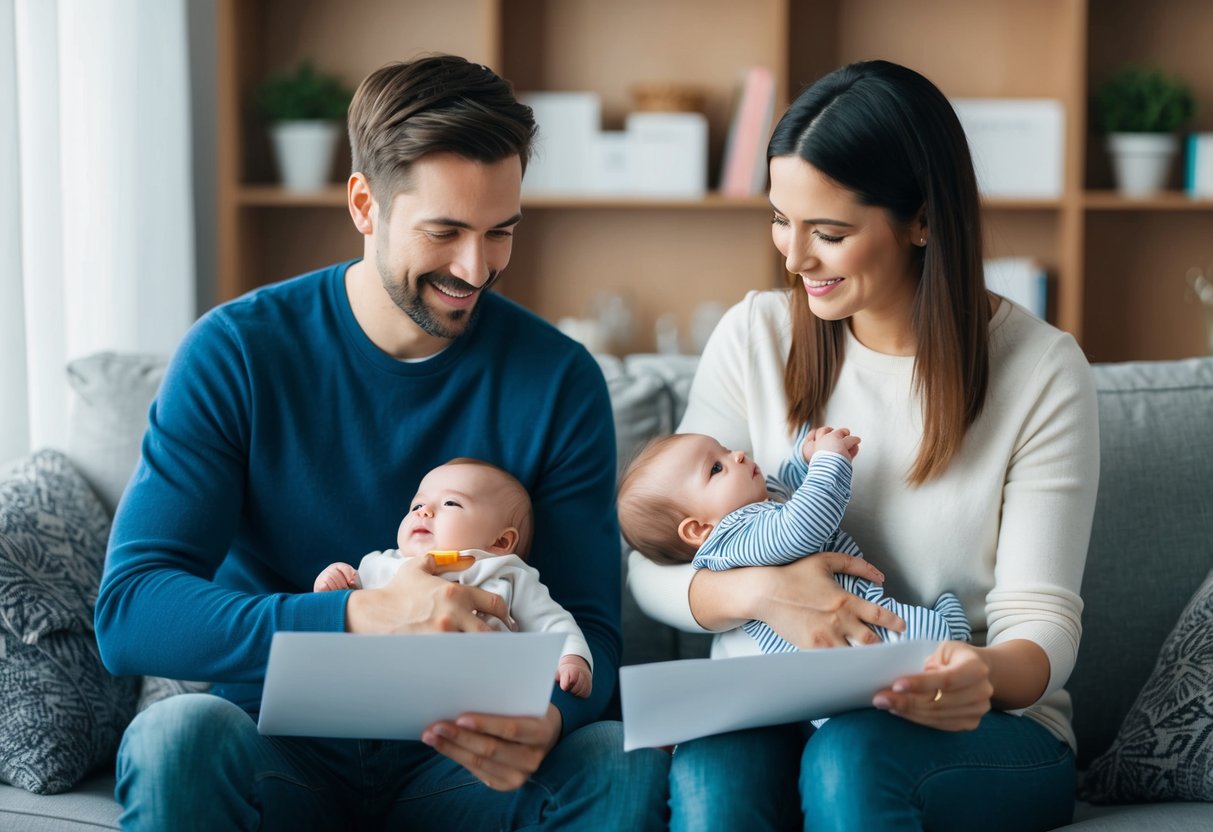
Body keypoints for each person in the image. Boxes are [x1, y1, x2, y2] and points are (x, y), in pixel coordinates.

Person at [95, 54, 668, 830]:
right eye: (445, 232)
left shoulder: (557, 378)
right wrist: (359, 617)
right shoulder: (238, 352)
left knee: (615, 757)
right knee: (175, 736)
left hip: (465, 766)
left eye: (500, 232)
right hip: (278, 749)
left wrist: (553, 722)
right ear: (365, 204)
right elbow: (132, 612)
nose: (477, 267)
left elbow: (592, 629)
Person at [627, 59, 1099, 832]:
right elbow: (654, 564)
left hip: (980, 723)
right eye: (780, 219)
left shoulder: (1041, 371)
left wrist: (973, 672)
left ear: (920, 220)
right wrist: (757, 594)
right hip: (777, 701)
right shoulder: (756, 335)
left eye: (830, 233)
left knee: (850, 757)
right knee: (715, 772)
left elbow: (1040, 626)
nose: (793, 258)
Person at [617, 426, 970, 661]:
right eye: (716, 469)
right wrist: (829, 461)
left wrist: (803, 459)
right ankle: (952, 628)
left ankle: (949, 628)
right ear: (698, 530)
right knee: (930, 636)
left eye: (725, 451)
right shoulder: (734, 538)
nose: (737, 455)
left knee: (927, 636)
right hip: (840, 646)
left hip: (839, 636)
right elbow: (803, 526)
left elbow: (784, 487)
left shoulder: (757, 508)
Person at [314, 458, 593, 697]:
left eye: (450, 503)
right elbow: (346, 609)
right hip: (380, 693)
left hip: (478, 706)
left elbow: (553, 622)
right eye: (416, 506)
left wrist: (572, 658)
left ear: (500, 541)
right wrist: (334, 580)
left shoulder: (508, 575)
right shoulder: (382, 564)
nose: (424, 511)